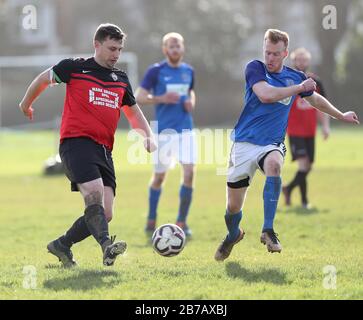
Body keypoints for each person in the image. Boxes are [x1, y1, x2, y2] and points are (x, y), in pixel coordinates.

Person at [214, 29, 359, 261]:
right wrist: (300, 89)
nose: (269, 58)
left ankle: (268, 230)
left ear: (285, 53)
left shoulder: (296, 76)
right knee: (233, 206)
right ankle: (233, 234)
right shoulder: (255, 68)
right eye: (267, 52)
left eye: (275, 54)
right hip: (243, 144)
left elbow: (316, 100)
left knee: (274, 165)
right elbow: (265, 95)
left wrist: (339, 115)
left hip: (271, 143)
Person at [19, 23, 156, 267]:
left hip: (104, 150)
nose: (116, 54)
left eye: (120, 50)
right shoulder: (74, 67)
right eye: (112, 48)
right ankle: (107, 247)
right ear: (97, 44)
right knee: (93, 196)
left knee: (106, 213)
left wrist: (147, 135)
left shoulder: (121, 79)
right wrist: (26, 104)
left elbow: (133, 112)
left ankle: (61, 245)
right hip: (76, 144)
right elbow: (43, 79)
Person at [135, 32, 196, 237]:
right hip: (164, 132)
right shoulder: (156, 71)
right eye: (171, 46)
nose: (175, 49)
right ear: (165, 49)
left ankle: (182, 222)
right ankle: (151, 217)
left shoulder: (189, 71)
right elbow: (140, 97)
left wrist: (191, 102)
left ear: (183, 48)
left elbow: (190, 92)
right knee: (159, 177)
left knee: (189, 173)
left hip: (186, 130)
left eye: (178, 45)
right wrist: (161, 98)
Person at [282, 47, 330, 209]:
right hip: (295, 130)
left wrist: (325, 126)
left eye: (304, 59)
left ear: (308, 61)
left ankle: (288, 189)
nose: (302, 62)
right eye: (298, 59)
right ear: (293, 61)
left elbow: (323, 106)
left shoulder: (316, 82)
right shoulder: (288, 80)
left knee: (308, 166)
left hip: (310, 130)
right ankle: (303, 201)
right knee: (303, 165)